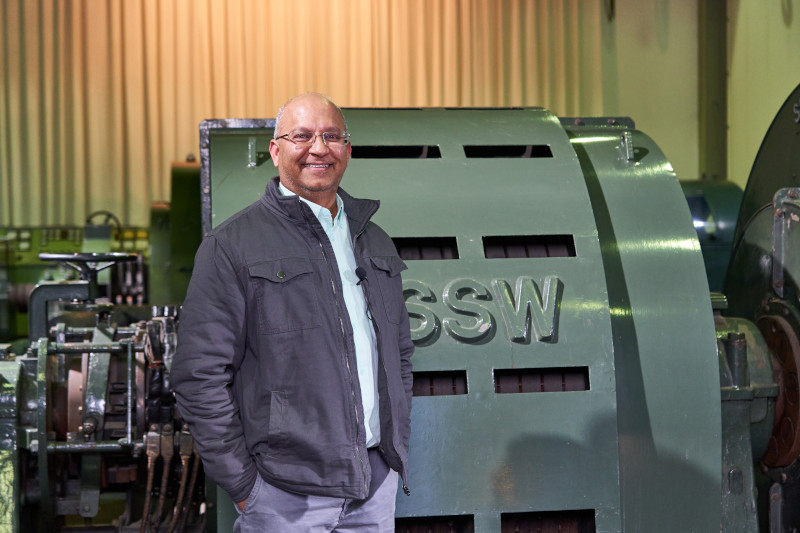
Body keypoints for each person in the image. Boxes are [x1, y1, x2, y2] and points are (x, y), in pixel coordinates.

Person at [171, 93, 414, 532]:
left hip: (375, 486)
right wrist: (243, 485)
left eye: (332, 136)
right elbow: (198, 375)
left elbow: (399, 354)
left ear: (347, 149)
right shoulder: (232, 246)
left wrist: (394, 452)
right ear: (275, 149)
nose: (319, 148)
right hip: (284, 495)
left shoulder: (374, 240)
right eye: (301, 136)